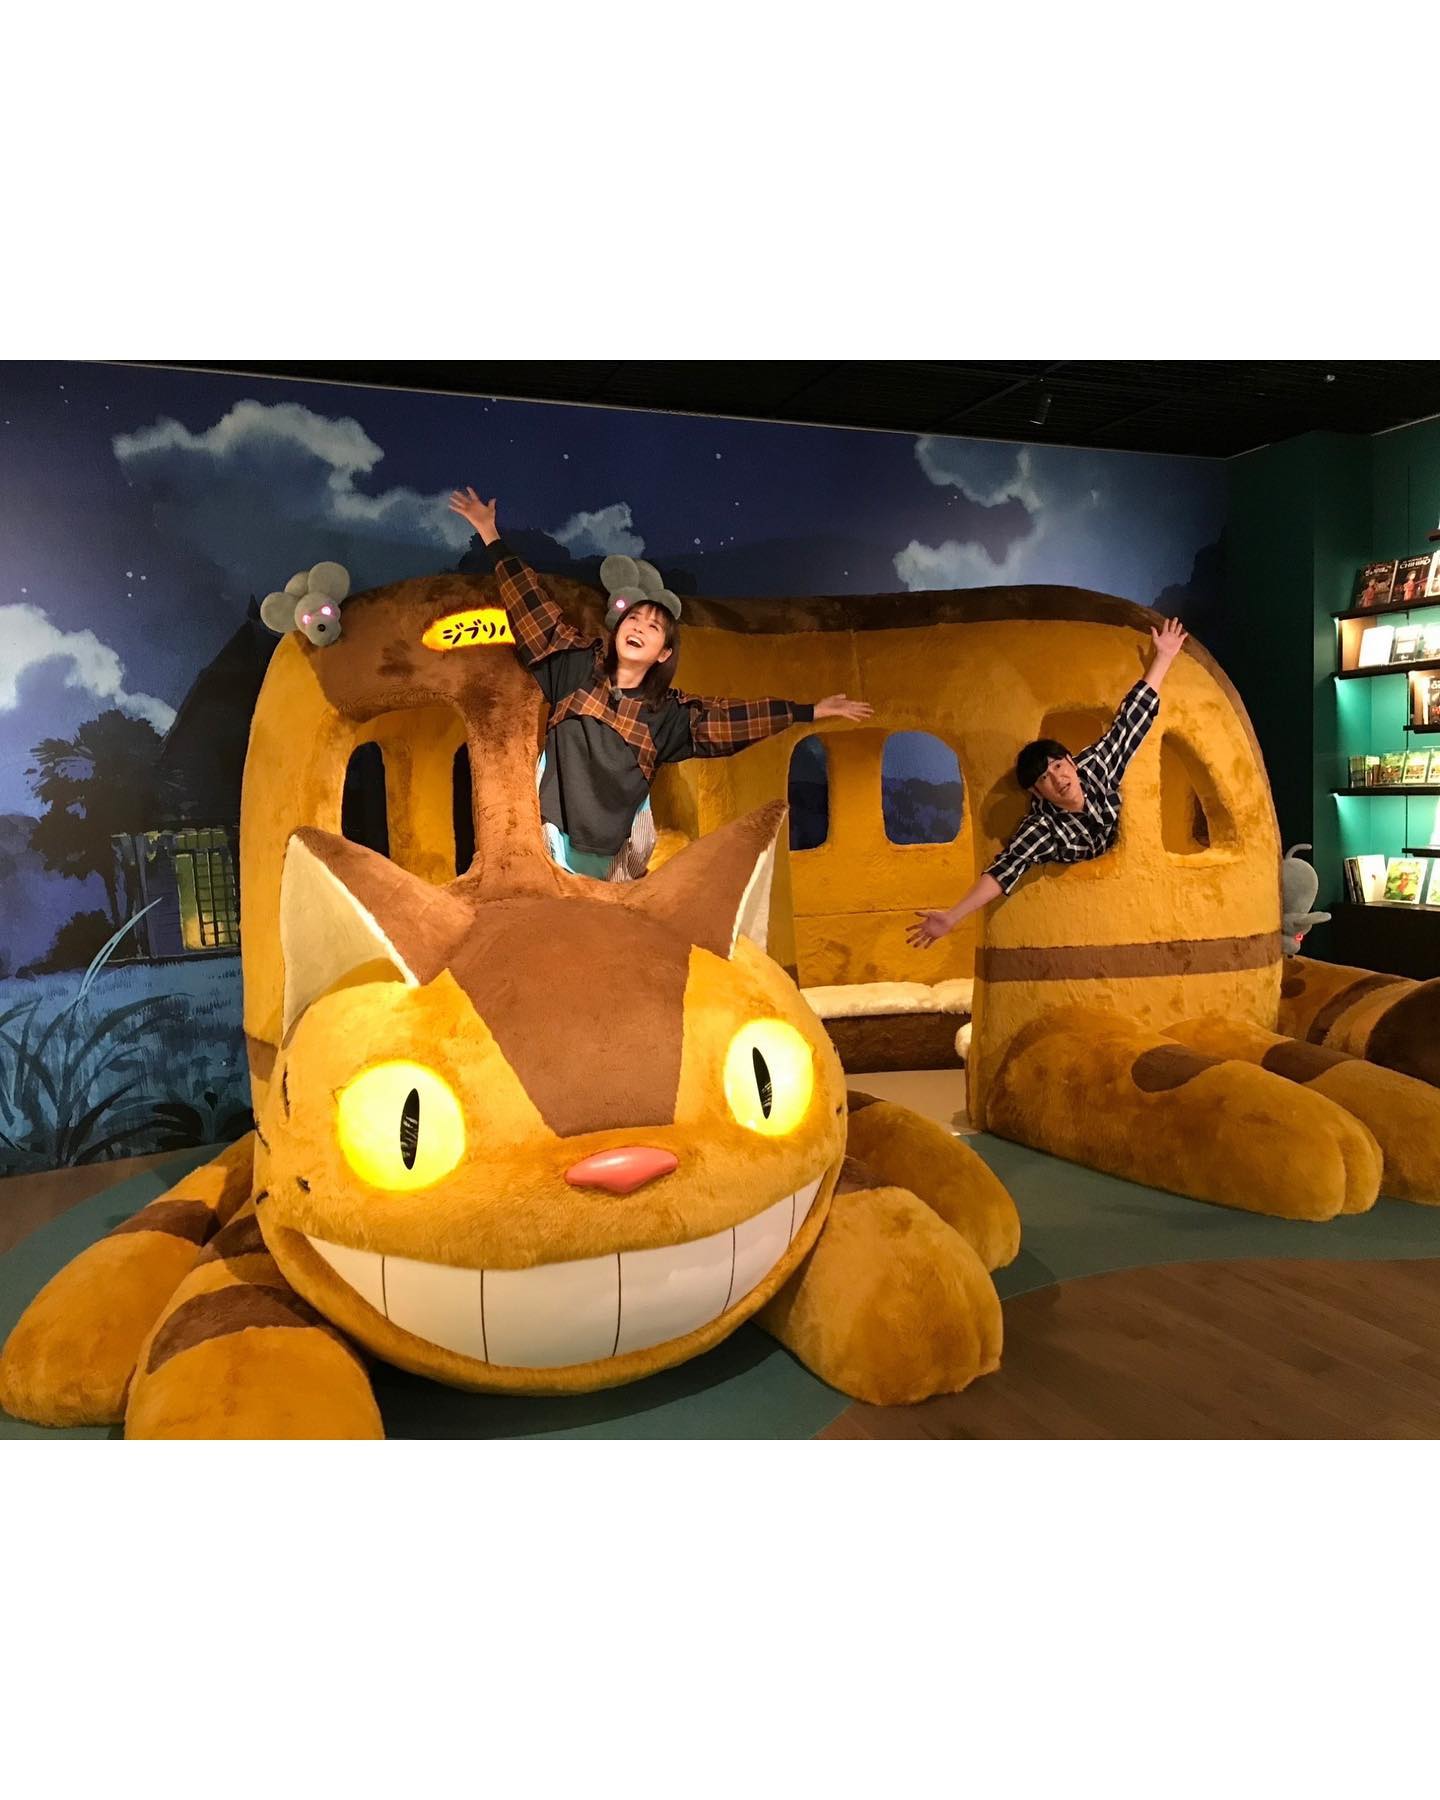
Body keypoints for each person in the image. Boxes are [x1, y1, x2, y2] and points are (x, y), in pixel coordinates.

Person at [449, 486, 872, 879]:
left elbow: (732, 720)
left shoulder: (666, 713)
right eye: (633, 618)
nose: (638, 627)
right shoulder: (576, 666)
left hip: (619, 851)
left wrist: (807, 711)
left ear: (664, 653)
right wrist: (490, 533)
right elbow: (532, 606)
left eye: (653, 627)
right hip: (555, 835)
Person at [907, 617, 1188, 949]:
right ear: (1036, 790)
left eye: (1058, 765)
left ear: (1070, 761)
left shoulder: (1095, 767)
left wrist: (1163, 657)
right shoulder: (1042, 827)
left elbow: (1129, 722)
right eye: (1044, 777)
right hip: (1090, 919)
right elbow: (1005, 868)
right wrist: (952, 917)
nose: (1058, 778)